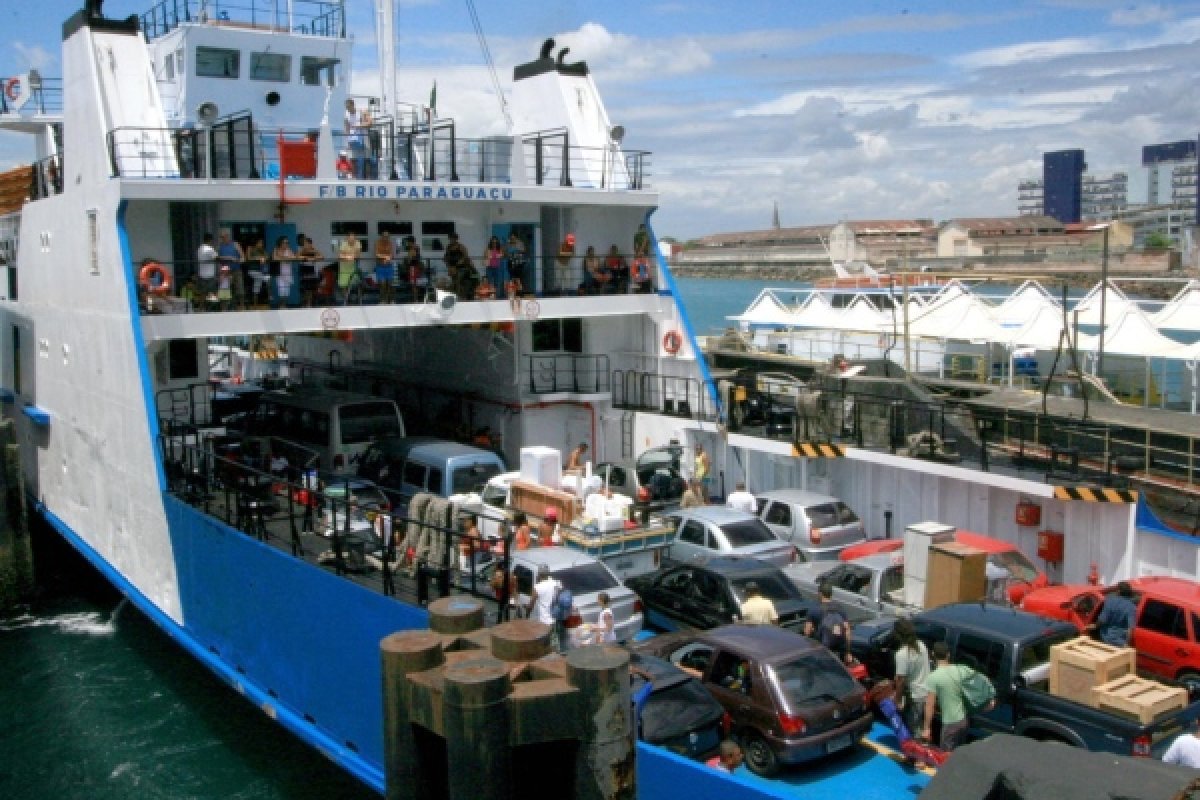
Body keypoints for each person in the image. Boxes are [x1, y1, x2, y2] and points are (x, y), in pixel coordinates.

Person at [922, 641, 971, 751]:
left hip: (950, 723)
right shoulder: (960, 670)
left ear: (933, 655)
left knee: (945, 756)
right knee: (959, 753)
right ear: (948, 654)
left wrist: (926, 728)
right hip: (964, 720)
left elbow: (930, 705)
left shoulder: (933, 677)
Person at [893, 618, 931, 739]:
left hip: (915, 696)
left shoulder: (902, 654)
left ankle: (914, 754)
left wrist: (897, 700)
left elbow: (901, 680)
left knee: (913, 728)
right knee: (920, 726)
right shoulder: (921, 645)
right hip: (928, 692)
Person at [806, 584, 852, 664]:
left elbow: (807, 632)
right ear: (831, 594)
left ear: (820, 594)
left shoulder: (814, 609)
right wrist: (848, 652)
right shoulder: (839, 608)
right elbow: (847, 630)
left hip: (823, 649)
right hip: (839, 647)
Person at [528, 565, 566, 652]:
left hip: (545, 621)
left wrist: (527, 610)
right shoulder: (557, 583)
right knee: (555, 642)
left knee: (543, 644)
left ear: (539, 574)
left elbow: (531, 605)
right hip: (556, 618)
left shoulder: (538, 587)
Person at [1093, 581, 1137, 647]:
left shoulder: (1109, 601)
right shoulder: (1131, 607)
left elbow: (1102, 620)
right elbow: (1130, 629)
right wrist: (1126, 644)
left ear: (1118, 591)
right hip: (1120, 642)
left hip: (1105, 637)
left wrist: (1094, 626)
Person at [215, 230, 245, 309]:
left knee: (239, 289)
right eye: (221, 237)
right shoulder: (219, 246)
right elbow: (216, 257)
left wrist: (239, 260)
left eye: (224, 237)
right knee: (224, 289)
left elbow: (242, 257)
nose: (223, 238)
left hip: (236, 269)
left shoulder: (235, 244)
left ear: (228, 236)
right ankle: (224, 309)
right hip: (225, 269)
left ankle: (241, 306)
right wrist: (228, 258)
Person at [297, 236, 323, 307]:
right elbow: (297, 256)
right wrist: (306, 257)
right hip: (304, 271)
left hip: (311, 271)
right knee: (305, 289)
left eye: (307, 244)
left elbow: (321, 256)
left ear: (310, 244)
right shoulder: (301, 251)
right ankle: (304, 303)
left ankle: (309, 304)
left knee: (310, 289)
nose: (305, 245)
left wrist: (313, 254)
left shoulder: (313, 251)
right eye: (304, 244)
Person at [270, 235, 295, 308]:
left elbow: (293, 258)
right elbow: (274, 258)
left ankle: (284, 305)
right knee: (281, 289)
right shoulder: (276, 249)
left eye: (287, 242)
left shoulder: (289, 250)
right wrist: (286, 258)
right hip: (279, 272)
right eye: (285, 242)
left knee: (287, 291)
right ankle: (281, 305)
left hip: (288, 272)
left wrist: (281, 257)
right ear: (281, 243)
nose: (286, 244)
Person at [337, 232, 362, 304]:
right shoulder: (343, 244)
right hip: (344, 268)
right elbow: (340, 256)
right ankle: (347, 301)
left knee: (357, 283)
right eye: (350, 239)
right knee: (343, 285)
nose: (352, 240)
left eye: (353, 239)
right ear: (347, 238)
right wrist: (349, 257)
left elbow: (357, 255)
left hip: (353, 268)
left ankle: (358, 300)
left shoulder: (358, 243)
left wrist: (347, 256)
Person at [195, 232, 218, 307]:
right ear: (210, 240)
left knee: (203, 292)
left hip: (201, 273)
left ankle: (201, 307)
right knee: (212, 292)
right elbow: (216, 258)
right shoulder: (209, 249)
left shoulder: (200, 249)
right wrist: (229, 258)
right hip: (209, 274)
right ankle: (212, 308)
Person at [374, 234, 396, 304]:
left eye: (387, 236)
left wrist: (389, 257)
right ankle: (382, 300)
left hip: (389, 266)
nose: (386, 238)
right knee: (382, 284)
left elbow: (392, 255)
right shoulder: (378, 243)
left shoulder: (390, 243)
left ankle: (391, 300)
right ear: (382, 236)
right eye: (384, 236)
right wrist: (386, 257)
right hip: (380, 267)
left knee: (390, 283)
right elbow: (377, 254)